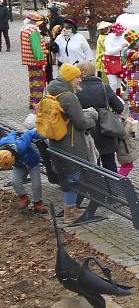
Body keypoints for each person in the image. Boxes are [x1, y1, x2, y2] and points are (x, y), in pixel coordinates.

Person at [45, 63, 98, 223]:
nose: (79, 80)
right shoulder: (68, 96)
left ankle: (72, 207)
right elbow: (81, 123)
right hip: (71, 144)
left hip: (56, 142)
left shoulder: (52, 91)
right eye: (76, 77)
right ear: (69, 78)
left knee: (70, 175)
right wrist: (92, 116)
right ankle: (70, 212)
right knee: (74, 176)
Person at [74, 60, 124, 172]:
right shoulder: (104, 87)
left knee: (91, 162)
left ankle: (95, 186)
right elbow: (119, 107)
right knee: (109, 162)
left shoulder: (75, 89)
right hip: (105, 129)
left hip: (85, 130)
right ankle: (112, 187)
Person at [0, 122, 47, 214]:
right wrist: (14, 132)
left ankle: (38, 203)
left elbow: (29, 133)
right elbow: (10, 136)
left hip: (32, 162)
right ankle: (23, 197)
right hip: (19, 166)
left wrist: (41, 134)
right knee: (15, 181)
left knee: (36, 184)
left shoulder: (21, 146)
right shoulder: (2, 144)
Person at [20, 13, 48, 108]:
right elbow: (36, 47)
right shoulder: (33, 31)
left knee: (32, 81)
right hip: (36, 61)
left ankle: (32, 101)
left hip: (29, 61)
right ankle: (37, 103)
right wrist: (40, 60)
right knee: (38, 82)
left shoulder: (25, 30)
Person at [102, 22, 127, 96]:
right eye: (120, 32)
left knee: (119, 82)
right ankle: (111, 99)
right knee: (113, 82)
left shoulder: (122, 37)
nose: (121, 33)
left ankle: (118, 97)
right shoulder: (109, 38)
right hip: (110, 60)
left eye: (122, 31)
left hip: (120, 60)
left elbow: (125, 49)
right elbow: (109, 51)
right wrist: (121, 47)